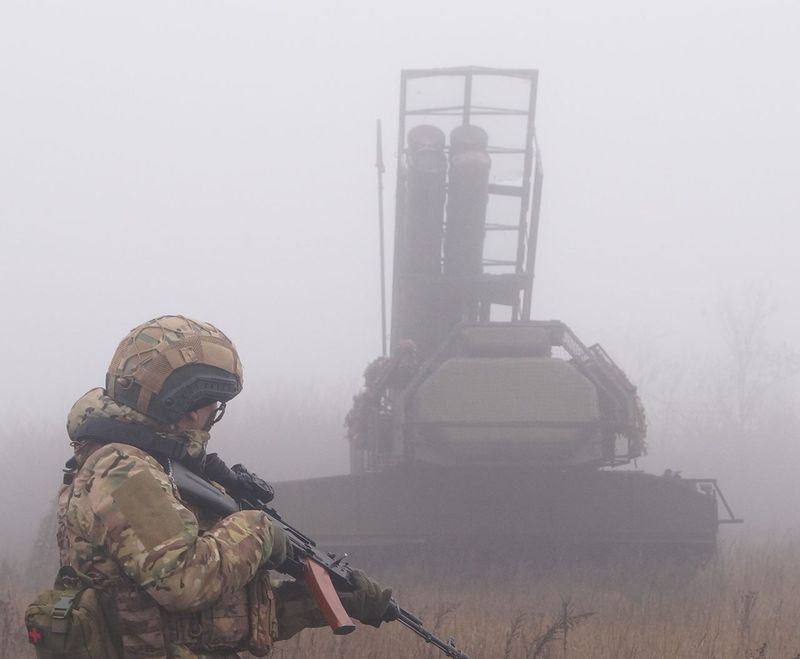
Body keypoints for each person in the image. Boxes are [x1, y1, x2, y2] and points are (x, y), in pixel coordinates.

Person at [57, 315, 392, 658]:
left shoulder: (154, 468)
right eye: (212, 408)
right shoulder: (122, 469)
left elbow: (222, 621)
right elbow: (183, 582)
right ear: (184, 408)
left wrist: (331, 600)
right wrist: (260, 532)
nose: (209, 419)